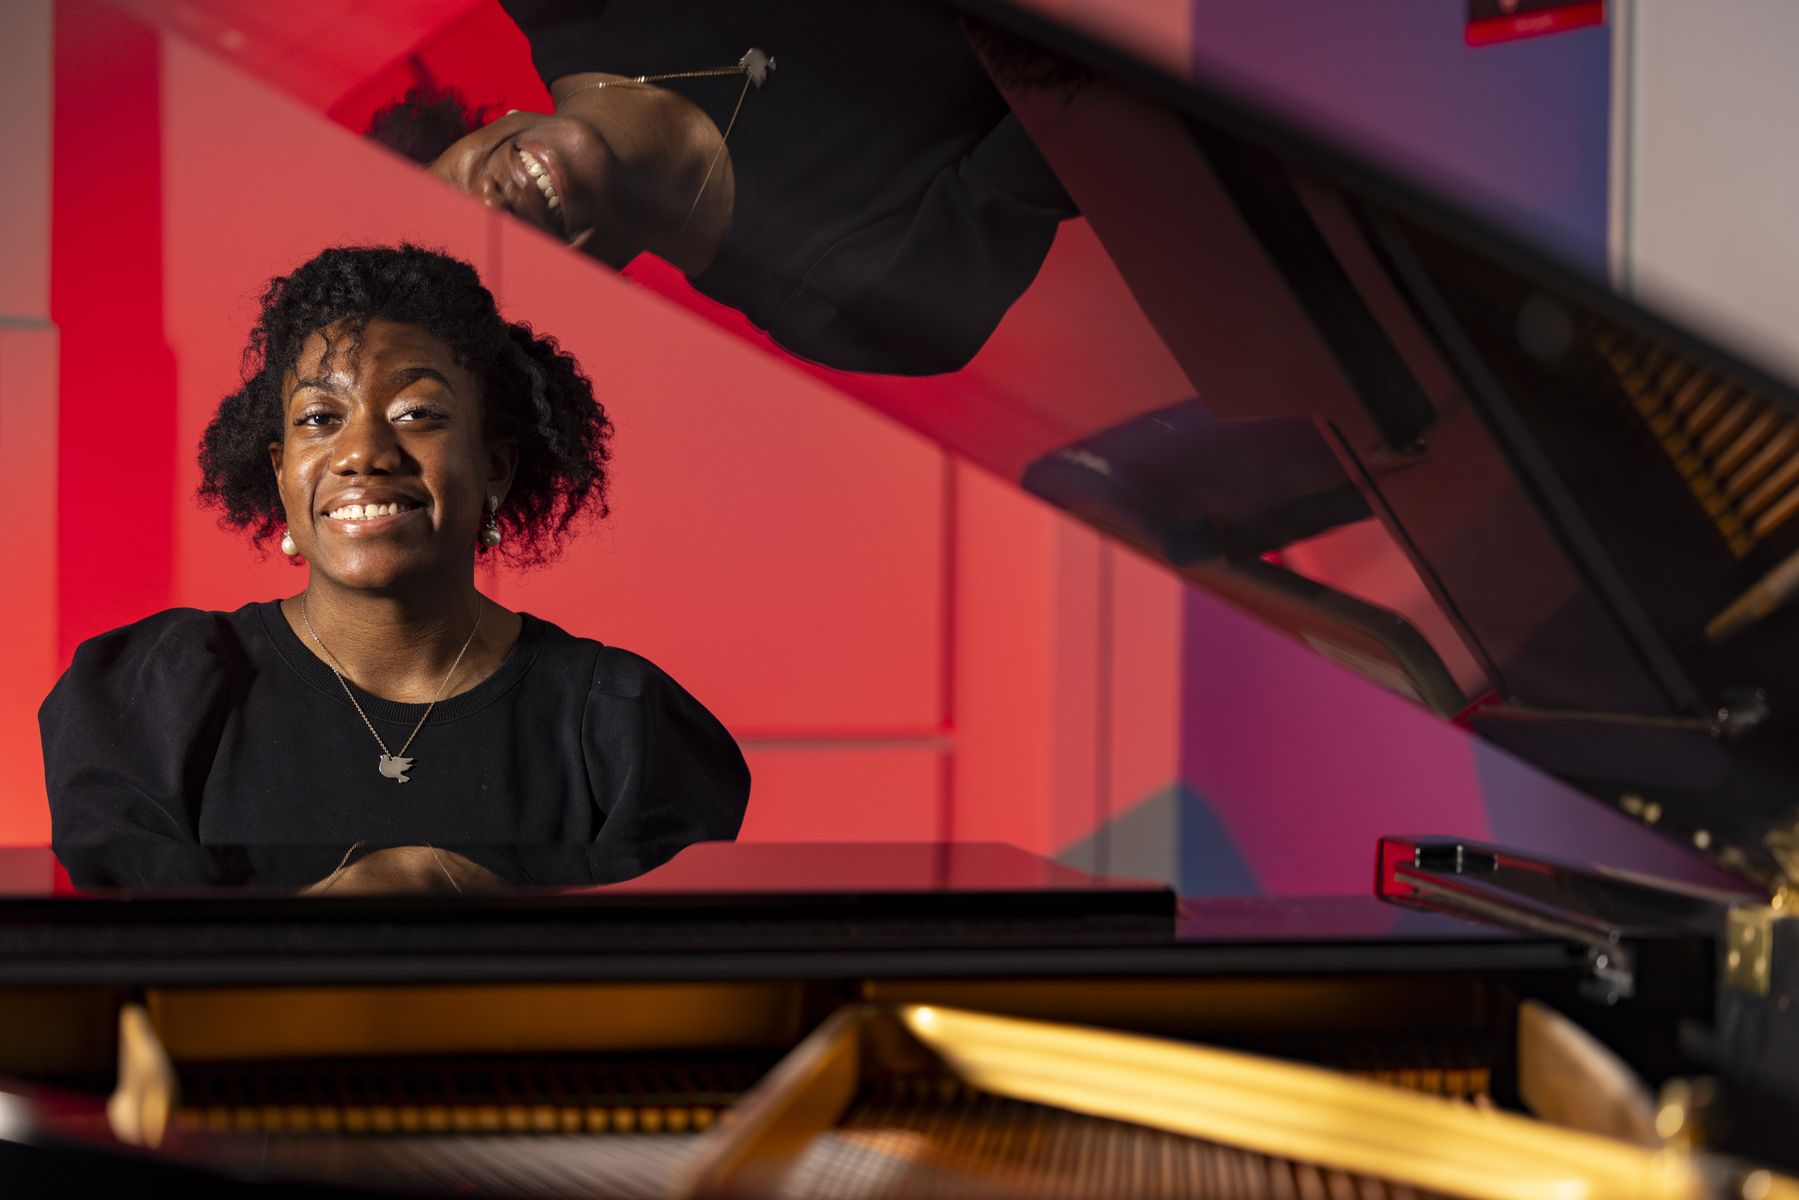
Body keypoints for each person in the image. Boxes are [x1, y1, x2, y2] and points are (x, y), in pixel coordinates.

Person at [40, 245, 750, 890]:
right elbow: (137, 964)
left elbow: (653, 987)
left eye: (417, 413)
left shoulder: (619, 724)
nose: (363, 452)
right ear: (281, 472)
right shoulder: (156, 697)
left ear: (494, 466)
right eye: (319, 418)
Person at [405, 0, 1078, 376]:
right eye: (491, 262)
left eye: (452, 202)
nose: (492, 210)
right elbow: (1091, 118)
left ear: (482, 128)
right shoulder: (848, 307)